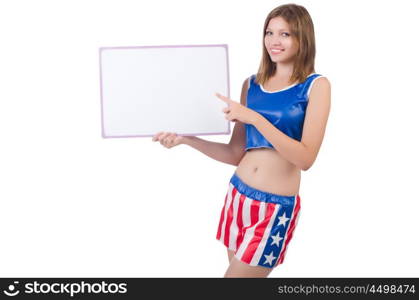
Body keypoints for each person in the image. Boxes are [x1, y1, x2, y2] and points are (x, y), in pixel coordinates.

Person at [152, 3, 331, 278]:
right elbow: (236, 153)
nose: (274, 41)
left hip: (274, 209)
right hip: (239, 196)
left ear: (302, 38)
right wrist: (187, 139)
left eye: (285, 34)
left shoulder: (316, 86)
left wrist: (254, 118)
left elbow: (306, 159)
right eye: (269, 32)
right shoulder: (252, 84)